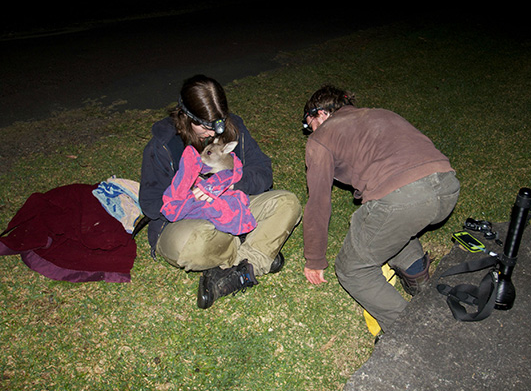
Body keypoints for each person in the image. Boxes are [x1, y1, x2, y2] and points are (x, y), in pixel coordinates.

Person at [301, 85, 460, 335]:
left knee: (352, 268)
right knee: (390, 224)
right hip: (447, 187)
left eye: (308, 123)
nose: (309, 130)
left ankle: (411, 331)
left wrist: (314, 259)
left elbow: (318, 203)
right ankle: (417, 276)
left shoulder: (321, 137)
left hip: (404, 198)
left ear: (320, 113)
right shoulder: (381, 114)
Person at [139, 74, 302, 309]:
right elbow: (151, 203)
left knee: (288, 203)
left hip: (232, 206)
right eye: (205, 125)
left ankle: (241, 267)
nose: (213, 132)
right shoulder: (164, 144)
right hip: (189, 222)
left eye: (219, 122)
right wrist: (193, 195)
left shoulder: (233, 128)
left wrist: (229, 184)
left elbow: (263, 171)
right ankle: (257, 254)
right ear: (186, 116)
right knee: (190, 245)